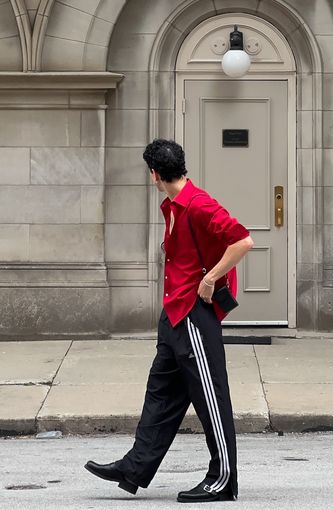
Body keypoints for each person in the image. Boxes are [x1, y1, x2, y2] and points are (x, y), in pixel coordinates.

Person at [85, 139, 253, 503]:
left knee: (211, 399)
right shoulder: (174, 204)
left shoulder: (199, 205)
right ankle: (135, 467)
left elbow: (242, 240)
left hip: (194, 316)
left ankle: (223, 479)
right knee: (161, 394)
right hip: (173, 315)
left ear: (154, 174)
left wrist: (210, 280)